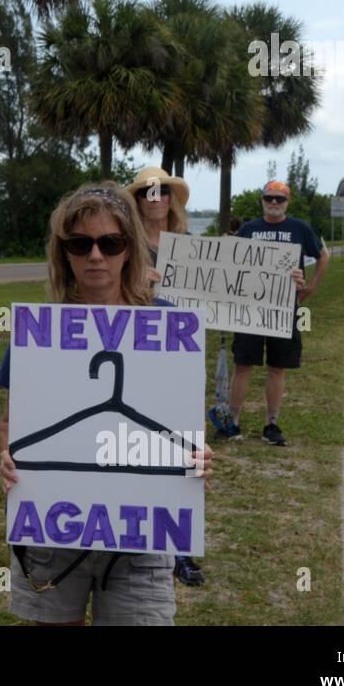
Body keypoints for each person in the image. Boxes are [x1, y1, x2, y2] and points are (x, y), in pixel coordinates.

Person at [0, 182, 215, 625]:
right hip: (53, 534)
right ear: (65, 253)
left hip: (143, 540)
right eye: (81, 244)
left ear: (129, 249)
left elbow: (179, 420)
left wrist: (196, 462)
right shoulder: (39, 331)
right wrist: (9, 461)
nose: (95, 256)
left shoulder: (169, 323)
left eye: (110, 243)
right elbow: (14, 422)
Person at [124, 167, 204, 587]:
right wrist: (137, 285)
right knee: (139, 443)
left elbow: (229, 290)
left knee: (186, 447)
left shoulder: (191, 248)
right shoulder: (124, 247)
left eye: (162, 192)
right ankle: (136, 535)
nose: (155, 198)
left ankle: (182, 549)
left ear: (173, 199)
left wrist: (285, 285)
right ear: (137, 200)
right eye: (147, 192)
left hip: (182, 361)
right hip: (137, 357)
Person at [227, 180, 328, 446]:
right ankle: (232, 421)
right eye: (269, 198)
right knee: (243, 365)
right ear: (262, 200)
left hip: (284, 308)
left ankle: (271, 424)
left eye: (279, 199)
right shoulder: (249, 230)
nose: (274, 203)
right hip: (251, 308)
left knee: (277, 367)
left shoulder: (299, 228)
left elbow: (322, 256)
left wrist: (310, 287)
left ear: (287, 202)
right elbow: (231, 264)